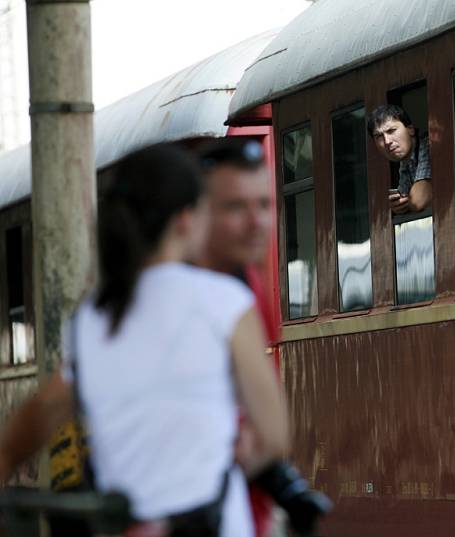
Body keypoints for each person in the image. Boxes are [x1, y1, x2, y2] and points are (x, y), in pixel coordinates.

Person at [0, 143, 290, 537]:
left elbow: (37, 418)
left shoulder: (93, 317)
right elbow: (274, 437)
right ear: (187, 220)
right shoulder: (225, 303)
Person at [196, 137, 332, 537]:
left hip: (240, 508)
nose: (257, 222)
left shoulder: (246, 281)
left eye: (265, 205)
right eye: (236, 207)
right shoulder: (184, 294)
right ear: (198, 213)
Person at [367, 104, 432, 214]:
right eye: (379, 136)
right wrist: (398, 205)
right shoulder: (405, 160)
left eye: (391, 130)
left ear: (410, 130)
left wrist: (409, 202)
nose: (387, 141)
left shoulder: (428, 144)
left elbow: (418, 201)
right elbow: (405, 198)